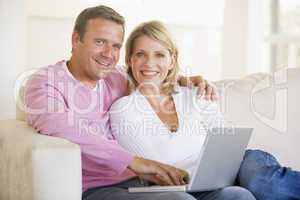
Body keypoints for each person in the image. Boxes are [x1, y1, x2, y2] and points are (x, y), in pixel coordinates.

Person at [24, 5, 220, 200]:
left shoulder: (115, 76)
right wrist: (132, 161)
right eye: (100, 42)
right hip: (96, 188)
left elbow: (151, 75)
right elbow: (61, 125)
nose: (108, 54)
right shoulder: (45, 81)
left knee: (235, 194)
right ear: (76, 40)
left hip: (141, 184)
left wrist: (187, 81)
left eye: (116, 46)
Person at [109, 20, 300, 200]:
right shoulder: (124, 109)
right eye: (141, 54)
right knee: (237, 196)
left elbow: (226, 141)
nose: (149, 63)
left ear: (172, 60)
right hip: (197, 186)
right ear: (129, 60)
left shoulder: (194, 94)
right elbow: (159, 167)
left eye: (159, 54)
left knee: (263, 183)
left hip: (238, 166)